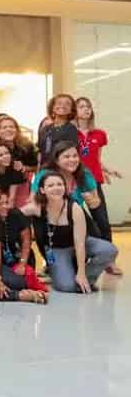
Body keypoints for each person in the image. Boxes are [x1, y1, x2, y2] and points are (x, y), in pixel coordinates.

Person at [21, 171, 117, 293]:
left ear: (65, 187)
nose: (56, 188)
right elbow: (13, 215)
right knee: (67, 286)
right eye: (50, 186)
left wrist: (82, 273)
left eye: (59, 184)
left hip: (80, 244)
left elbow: (80, 243)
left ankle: (86, 279)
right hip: (57, 250)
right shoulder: (36, 208)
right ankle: (62, 275)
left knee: (109, 250)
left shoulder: (74, 209)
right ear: (42, 190)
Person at [74, 96, 122, 274]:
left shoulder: (99, 134)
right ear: (75, 111)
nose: (86, 109)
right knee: (76, 222)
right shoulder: (71, 133)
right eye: (81, 106)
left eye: (88, 107)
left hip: (93, 182)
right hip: (75, 182)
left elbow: (96, 159)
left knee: (102, 220)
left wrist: (107, 170)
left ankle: (109, 261)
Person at [31, 141, 107, 238]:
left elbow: (96, 203)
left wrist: (92, 201)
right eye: (66, 157)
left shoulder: (84, 174)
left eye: (75, 156)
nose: (72, 160)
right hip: (49, 220)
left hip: (75, 218)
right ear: (56, 160)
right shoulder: (44, 174)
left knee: (106, 248)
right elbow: (33, 200)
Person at [0, 191, 47, 293]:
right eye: (0, 203)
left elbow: (26, 240)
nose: (5, 206)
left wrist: (22, 263)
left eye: (6, 203)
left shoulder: (16, 214)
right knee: (16, 283)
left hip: (19, 257)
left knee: (26, 275)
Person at [0, 115, 38, 207]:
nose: (9, 129)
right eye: (4, 127)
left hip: (21, 189)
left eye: (12, 127)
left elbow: (36, 167)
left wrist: (25, 168)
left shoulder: (26, 146)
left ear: (17, 130)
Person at [38, 94, 79, 165]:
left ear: (71, 110)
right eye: (59, 103)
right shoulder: (45, 129)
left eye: (67, 104)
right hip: (44, 169)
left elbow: (70, 154)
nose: (63, 105)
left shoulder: (71, 129)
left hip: (60, 169)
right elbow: (40, 153)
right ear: (53, 108)